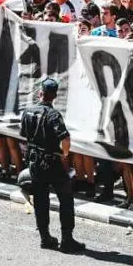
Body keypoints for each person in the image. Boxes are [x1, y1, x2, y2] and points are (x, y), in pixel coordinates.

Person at [17, 78, 83, 253]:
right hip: (52, 163)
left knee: (40, 200)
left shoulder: (28, 111)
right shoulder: (53, 115)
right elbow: (65, 139)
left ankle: (45, 237)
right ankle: (67, 239)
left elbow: (23, 136)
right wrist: (65, 154)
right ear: (54, 96)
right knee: (66, 199)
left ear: (40, 93)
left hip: (34, 162)